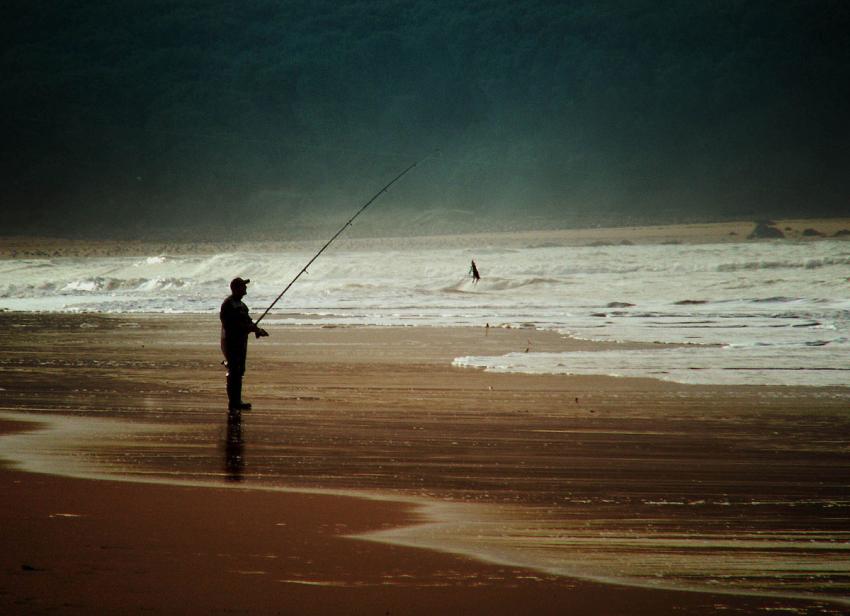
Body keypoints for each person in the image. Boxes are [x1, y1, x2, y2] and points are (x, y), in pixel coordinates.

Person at [220, 277, 268, 413]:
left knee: (239, 370)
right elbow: (230, 325)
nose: (246, 289)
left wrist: (257, 330)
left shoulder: (241, 305)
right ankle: (233, 402)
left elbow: (248, 322)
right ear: (236, 289)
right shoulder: (228, 304)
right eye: (243, 287)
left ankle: (237, 400)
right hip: (230, 342)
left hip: (241, 342)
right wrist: (249, 328)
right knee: (233, 370)